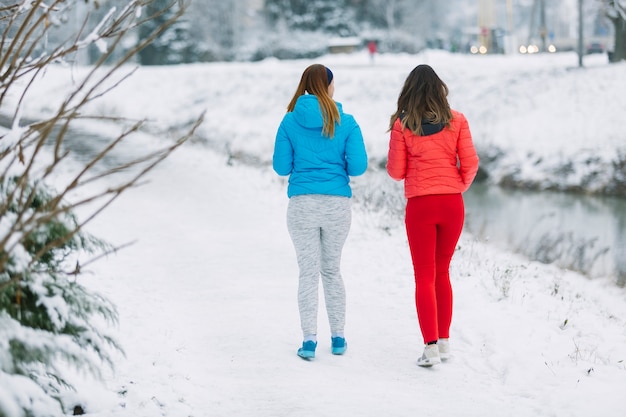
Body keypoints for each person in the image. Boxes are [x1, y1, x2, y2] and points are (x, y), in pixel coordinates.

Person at [273, 64, 368, 360]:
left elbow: (281, 167)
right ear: (327, 86)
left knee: (308, 272)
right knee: (331, 270)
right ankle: (338, 337)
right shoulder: (348, 122)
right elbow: (358, 167)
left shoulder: (289, 122)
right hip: (336, 206)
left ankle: (309, 341)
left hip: (302, 204)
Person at [386, 64, 479, 367]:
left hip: (421, 206)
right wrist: (457, 186)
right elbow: (471, 163)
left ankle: (430, 348)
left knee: (424, 276)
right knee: (442, 273)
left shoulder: (403, 125)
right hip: (452, 204)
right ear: (440, 90)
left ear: (409, 92)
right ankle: (445, 343)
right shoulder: (458, 121)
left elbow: (396, 172)